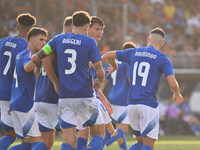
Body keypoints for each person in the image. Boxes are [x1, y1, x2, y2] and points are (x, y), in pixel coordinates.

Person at [31, 11, 105, 150]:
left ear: (72, 24)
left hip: (64, 98)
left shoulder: (58, 39)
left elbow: (37, 57)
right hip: (84, 96)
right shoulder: (90, 42)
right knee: (99, 135)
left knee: (68, 141)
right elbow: (100, 70)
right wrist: (99, 81)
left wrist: (39, 69)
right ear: (87, 27)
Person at [102, 27, 184, 150]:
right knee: (149, 145)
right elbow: (173, 84)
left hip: (132, 106)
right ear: (162, 43)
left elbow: (108, 55)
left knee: (140, 143)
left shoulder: (133, 52)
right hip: (148, 105)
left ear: (148, 39)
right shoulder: (162, 58)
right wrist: (177, 94)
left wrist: (114, 66)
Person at [32, 16, 73, 150]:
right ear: (73, 25)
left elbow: (36, 70)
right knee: (73, 139)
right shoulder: (60, 43)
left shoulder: (52, 42)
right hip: (52, 99)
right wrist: (55, 82)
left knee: (46, 143)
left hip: (40, 98)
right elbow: (45, 59)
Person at [76, 16, 114, 150]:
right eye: (97, 29)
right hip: (85, 96)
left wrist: (104, 100)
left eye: (102, 29)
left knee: (84, 133)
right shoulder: (86, 44)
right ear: (88, 28)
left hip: (87, 94)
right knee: (107, 132)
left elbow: (94, 83)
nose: (100, 32)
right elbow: (80, 68)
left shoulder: (91, 44)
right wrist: (99, 61)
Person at [0, 13, 36, 150]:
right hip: (16, 95)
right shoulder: (27, 47)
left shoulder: (2, 42)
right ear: (32, 30)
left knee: (10, 135)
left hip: (2, 93)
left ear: (17, 27)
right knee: (31, 141)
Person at [8, 27, 48, 150]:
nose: (44, 43)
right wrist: (43, 54)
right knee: (39, 142)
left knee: (27, 144)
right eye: (41, 39)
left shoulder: (21, 54)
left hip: (18, 103)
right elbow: (27, 67)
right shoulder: (29, 54)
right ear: (31, 40)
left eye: (45, 40)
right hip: (26, 105)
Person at [103, 41, 136, 150]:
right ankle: (101, 145)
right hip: (124, 99)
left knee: (118, 129)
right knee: (123, 129)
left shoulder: (111, 61)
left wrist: (100, 95)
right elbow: (130, 80)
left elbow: (104, 80)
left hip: (112, 98)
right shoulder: (128, 62)